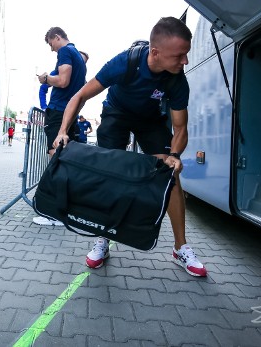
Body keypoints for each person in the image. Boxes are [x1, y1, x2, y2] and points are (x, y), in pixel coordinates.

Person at [53, 16, 207, 277]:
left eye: (186, 55)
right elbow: (79, 95)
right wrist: (62, 132)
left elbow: (180, 128)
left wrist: (175, 155)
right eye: (180, 55)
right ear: (155, 52)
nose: (185, 61)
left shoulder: (177, 79)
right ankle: (102, 238)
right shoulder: (125, 63)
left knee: (169, 175)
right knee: (108, 173)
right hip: (117, 113)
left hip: (150, 119)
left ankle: (181, 247)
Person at [33, 28, 87, 227]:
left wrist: (46, 78)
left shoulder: (65, 51)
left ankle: (53, 213)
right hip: (69, 113)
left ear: (57, 37)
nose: (51, 49)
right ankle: (64, 208)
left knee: (55, 158)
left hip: (58, 112)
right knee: (63, 160)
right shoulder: (79, 57)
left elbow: (63, 81)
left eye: (50, 43)